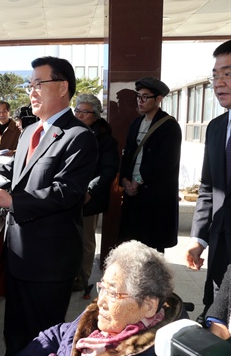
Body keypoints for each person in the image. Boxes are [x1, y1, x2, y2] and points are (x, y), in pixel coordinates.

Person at [0, 56, 98, 356]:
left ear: (62, 87)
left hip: (49, 261)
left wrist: (13, 202)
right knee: (14, 334)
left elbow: (65, 193)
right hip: (17, 255)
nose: (31, 91)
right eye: (30, 84)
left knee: (43, 342)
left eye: (38, 84)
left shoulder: (79, 137)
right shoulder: (30, 132)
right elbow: (16, 175)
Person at [8, 240, 184, 356]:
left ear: (149, 306)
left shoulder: (147, 354)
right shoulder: (96, 319)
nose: (101, 302)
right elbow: (57, 334)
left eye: (113, 293)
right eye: (103, 288)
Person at [186, 39, 231, 326]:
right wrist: (198, 239)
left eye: (228, 74)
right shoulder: (216, 128)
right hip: (220, 248)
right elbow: (208, 189)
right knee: (216, 317)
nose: (218, 83)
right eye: (215, 76)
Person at [118, 77, 182, 253]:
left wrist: (138, 180)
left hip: (154, 195)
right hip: (133, 193)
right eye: (138, 96)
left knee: (152, 249)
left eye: (145, 97)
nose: (140, 101)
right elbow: (127, 154)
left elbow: (166, 162)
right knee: (131, 244)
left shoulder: (169, 126)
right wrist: (124, 179)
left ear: (159, 99)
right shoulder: (135, 123)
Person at [73, 93, 119, 290]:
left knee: (85, 239)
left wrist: (90, 190)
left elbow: (109, 170)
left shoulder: (105, 139)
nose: (80, 115)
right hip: (68, 195)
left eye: (85, 112)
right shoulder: (70, 132)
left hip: (89, 197)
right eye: (77, 111)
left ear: (97, 115)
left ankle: (82, 278)